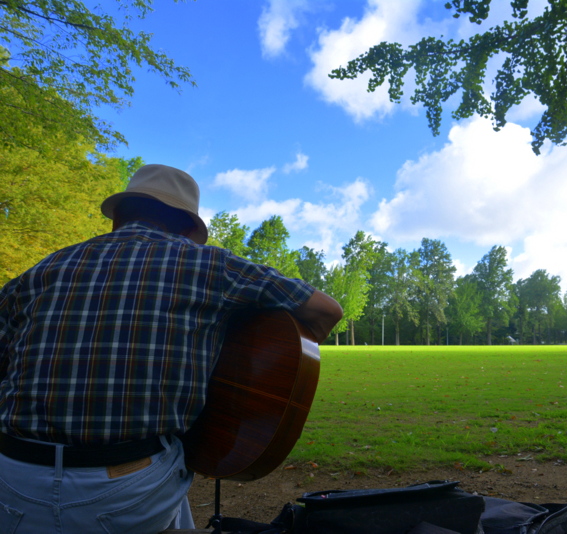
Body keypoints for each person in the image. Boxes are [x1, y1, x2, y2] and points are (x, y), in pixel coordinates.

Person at [0, 164, 342, 533]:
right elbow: (326, 310)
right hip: (126, 490)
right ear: (187, 228)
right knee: (170, 456)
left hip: (12, 481)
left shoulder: (41, 271)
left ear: (119, 217)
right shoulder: (211, 264)